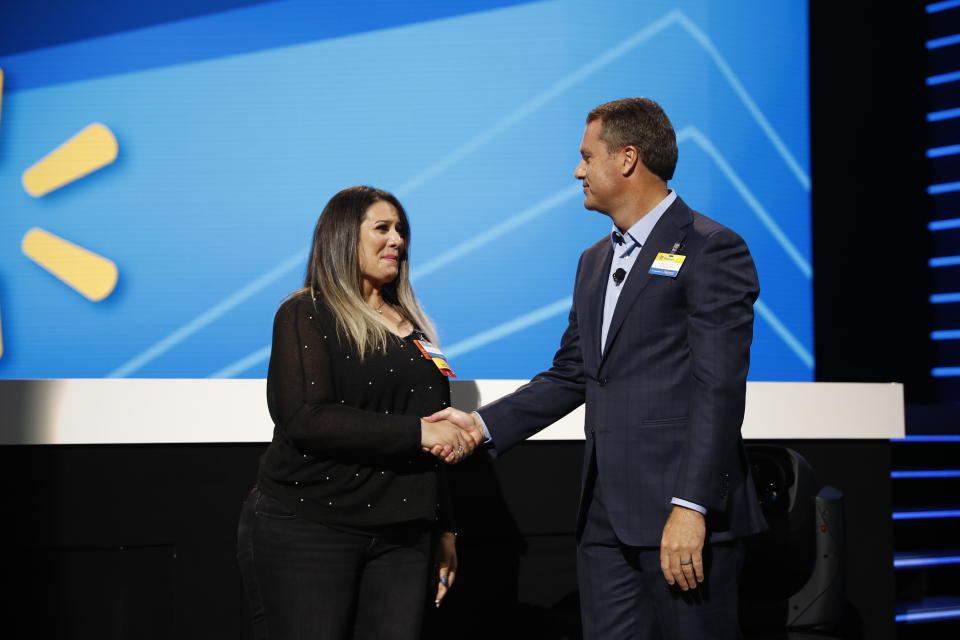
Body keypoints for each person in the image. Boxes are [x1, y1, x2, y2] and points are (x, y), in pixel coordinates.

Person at [427, 98, 767, 639]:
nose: (578, 170)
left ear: (627, 158)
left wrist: (690, 506)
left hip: (681, 520)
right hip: (604, 519)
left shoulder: (711, 248)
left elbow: (718, 390)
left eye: (588, 156)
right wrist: (481, 426)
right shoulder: (593, 261)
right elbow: (571, 374)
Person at [237, 185, 476, 640]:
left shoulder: (415, 328)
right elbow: (305, 417)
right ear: (344, 236)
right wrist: (417, 435)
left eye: (401, 230)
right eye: (382, 228)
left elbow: (434, 431)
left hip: (403, 536)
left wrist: (445, 529)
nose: (397, 241)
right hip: (310, 528)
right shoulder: (305, 312)